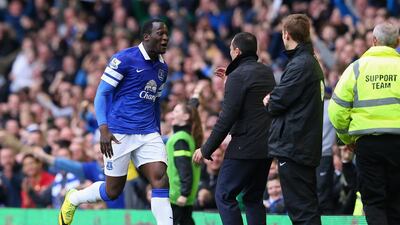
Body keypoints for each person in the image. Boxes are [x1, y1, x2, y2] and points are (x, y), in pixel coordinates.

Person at [59, 19, 172, 225]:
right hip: (118, 131)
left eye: (166, 34)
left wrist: (156, 131)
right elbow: (102, 93)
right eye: (160, 34)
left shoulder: (163, 67)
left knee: (160, 178)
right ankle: (74, 197)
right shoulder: (124, 59)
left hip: (147, 132)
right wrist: (103, 128)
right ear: (146, 36)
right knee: (112, 191)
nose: (165, 37)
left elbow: (155, 101)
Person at [193, 32, 276, 225]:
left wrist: (206, 149)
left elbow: (227, 117)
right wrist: (229, 84)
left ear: (237, 51)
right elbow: (252, 105)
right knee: (253, 198)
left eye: (230, 50)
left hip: (245, 146)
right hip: (266, 146)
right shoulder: (266, 72)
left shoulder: (238, 76)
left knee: (224, 195)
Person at [328, 22, 400, 225]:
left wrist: (347, 138)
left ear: (374, 41)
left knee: (374, 201)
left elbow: (336, 110)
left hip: (368, 144)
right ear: (397, 42)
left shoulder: (356, 68)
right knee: (396, 201)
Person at [263, 14, 324, 225]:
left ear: (286, 35)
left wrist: (269, 100)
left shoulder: (301, 64)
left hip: (295, 146)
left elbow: (277, 102)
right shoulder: (309, 62)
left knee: (301, 211)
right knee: (305, 209)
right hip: (302, 145)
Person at [167, 101, 203, 225]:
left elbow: (184, 167)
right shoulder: (183, 136)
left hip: (178, 195)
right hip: (180, 195)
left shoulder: (181, 138)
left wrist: (184, 193)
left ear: (186, 117)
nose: (172, 114)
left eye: (176, 111)